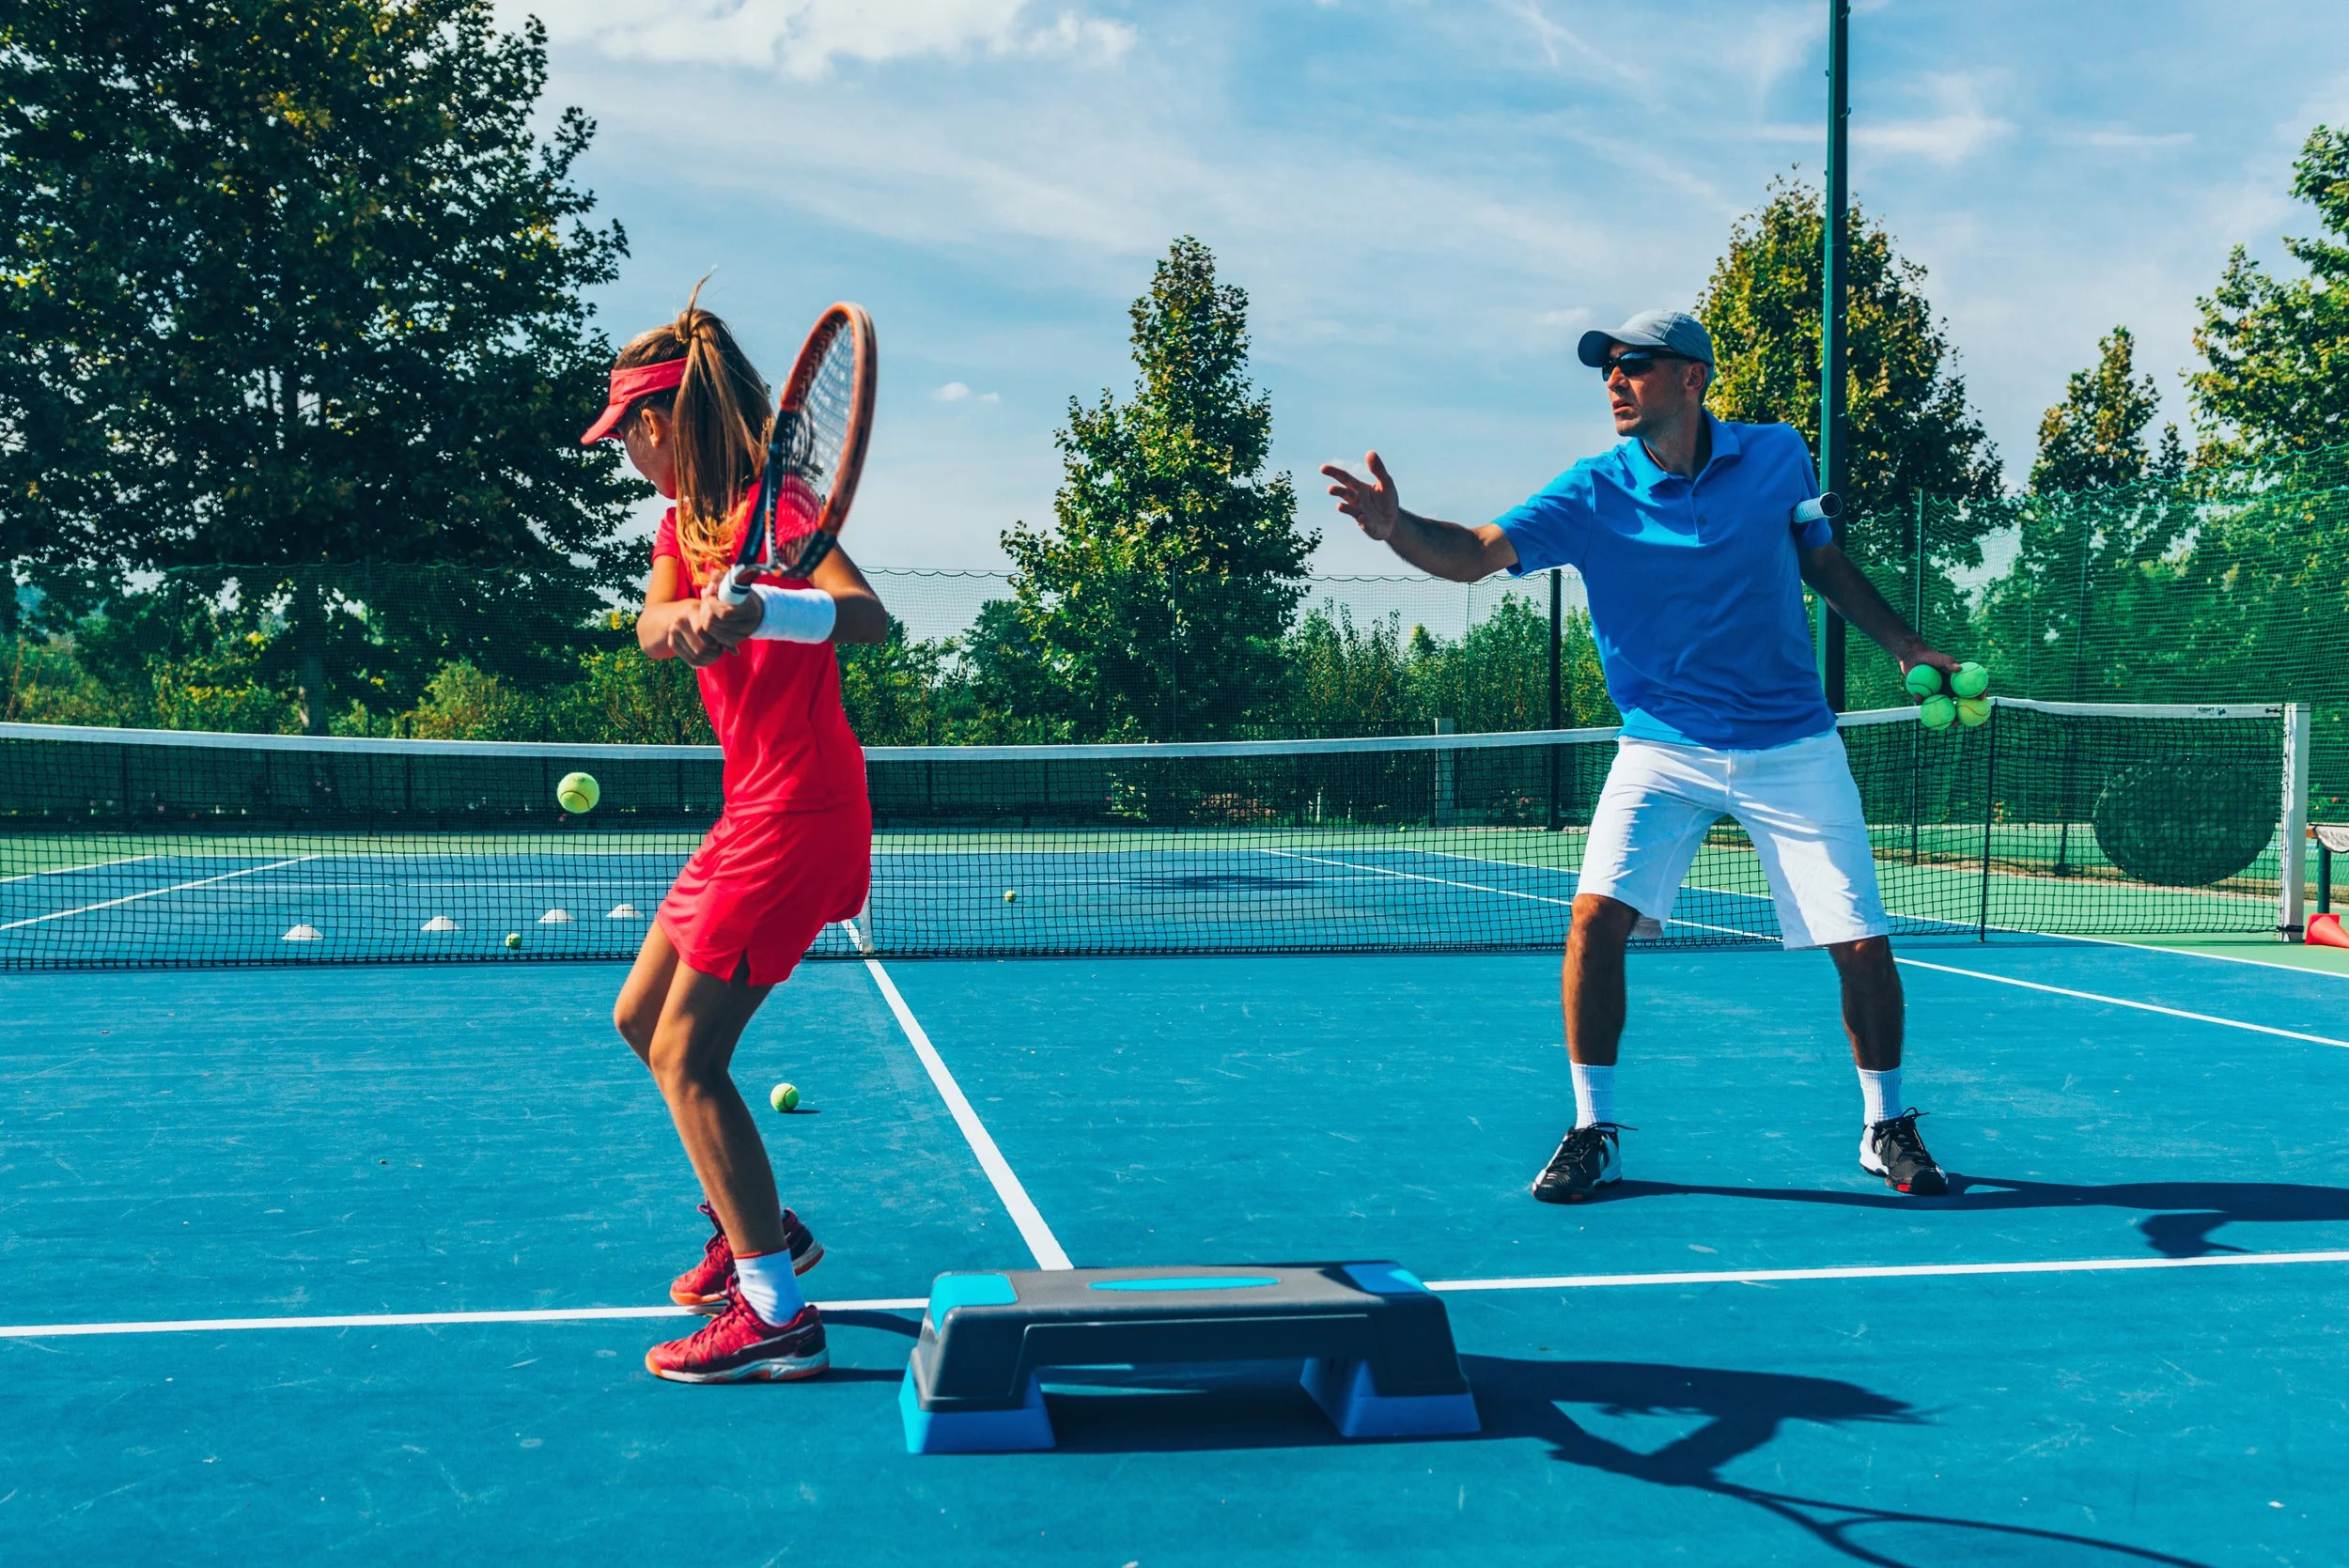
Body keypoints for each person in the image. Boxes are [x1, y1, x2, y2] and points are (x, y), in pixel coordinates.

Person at [1321, 309, 1955, 1204]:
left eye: (1634, 366)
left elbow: (1823, 561)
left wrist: (1905, 645)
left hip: (1792, 744)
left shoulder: (1778, 454)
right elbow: (1470, 555)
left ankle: (1885, 1122)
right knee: (1593, 922)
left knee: (1861, 944)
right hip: (1662, 747)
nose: (1614, 381)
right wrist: (1397, 526)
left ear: (1692, 377)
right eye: (1607, 369)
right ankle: (1593, 1130)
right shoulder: (1589, 492)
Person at [581, 294, 888, 1381]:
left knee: (686, 1052)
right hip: (746, 808)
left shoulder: (782, 503)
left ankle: (774, 1311)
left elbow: (867, 617)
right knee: (636, 1018)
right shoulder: (682, 525)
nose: (620, 451)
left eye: (625, 432)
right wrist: (693, 617)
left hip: (800, 811)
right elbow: (651, 625)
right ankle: (761, 1224)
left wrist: (770, 608)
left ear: (667, 420)